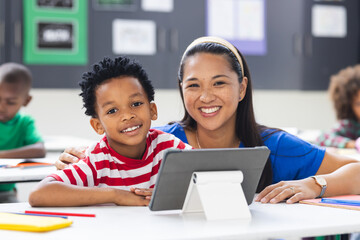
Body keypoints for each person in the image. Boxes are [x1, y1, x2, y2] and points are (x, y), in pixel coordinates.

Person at [56, 36, 360, 204]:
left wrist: (315, 184)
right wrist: (77, 159)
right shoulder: (157, 142)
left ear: (241, 88)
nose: (205, 96)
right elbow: (108, 157)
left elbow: (355, 171)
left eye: (219, 83)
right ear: (181, 90)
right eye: (193, 85)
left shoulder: (275, 146)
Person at [28, 56, 192, 207]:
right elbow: (38, 195)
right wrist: (115, 195)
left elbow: (208, 173)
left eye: (136, 104)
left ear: (152, 110)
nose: (127, 116)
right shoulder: (96, 159)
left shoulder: (168, 146)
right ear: (97, 125)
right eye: (112, 111)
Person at [0, 62, 45, 203]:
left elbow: (39, 150)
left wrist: (1, 155)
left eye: (11, 102)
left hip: (5, 193)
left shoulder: (25, 123)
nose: (1, 107)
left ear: (26, 100)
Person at [315, 64, 360, 150]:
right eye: (358, 104)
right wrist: (353, 144)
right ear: (349, 106)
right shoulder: (350, 126)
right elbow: (323, 138)